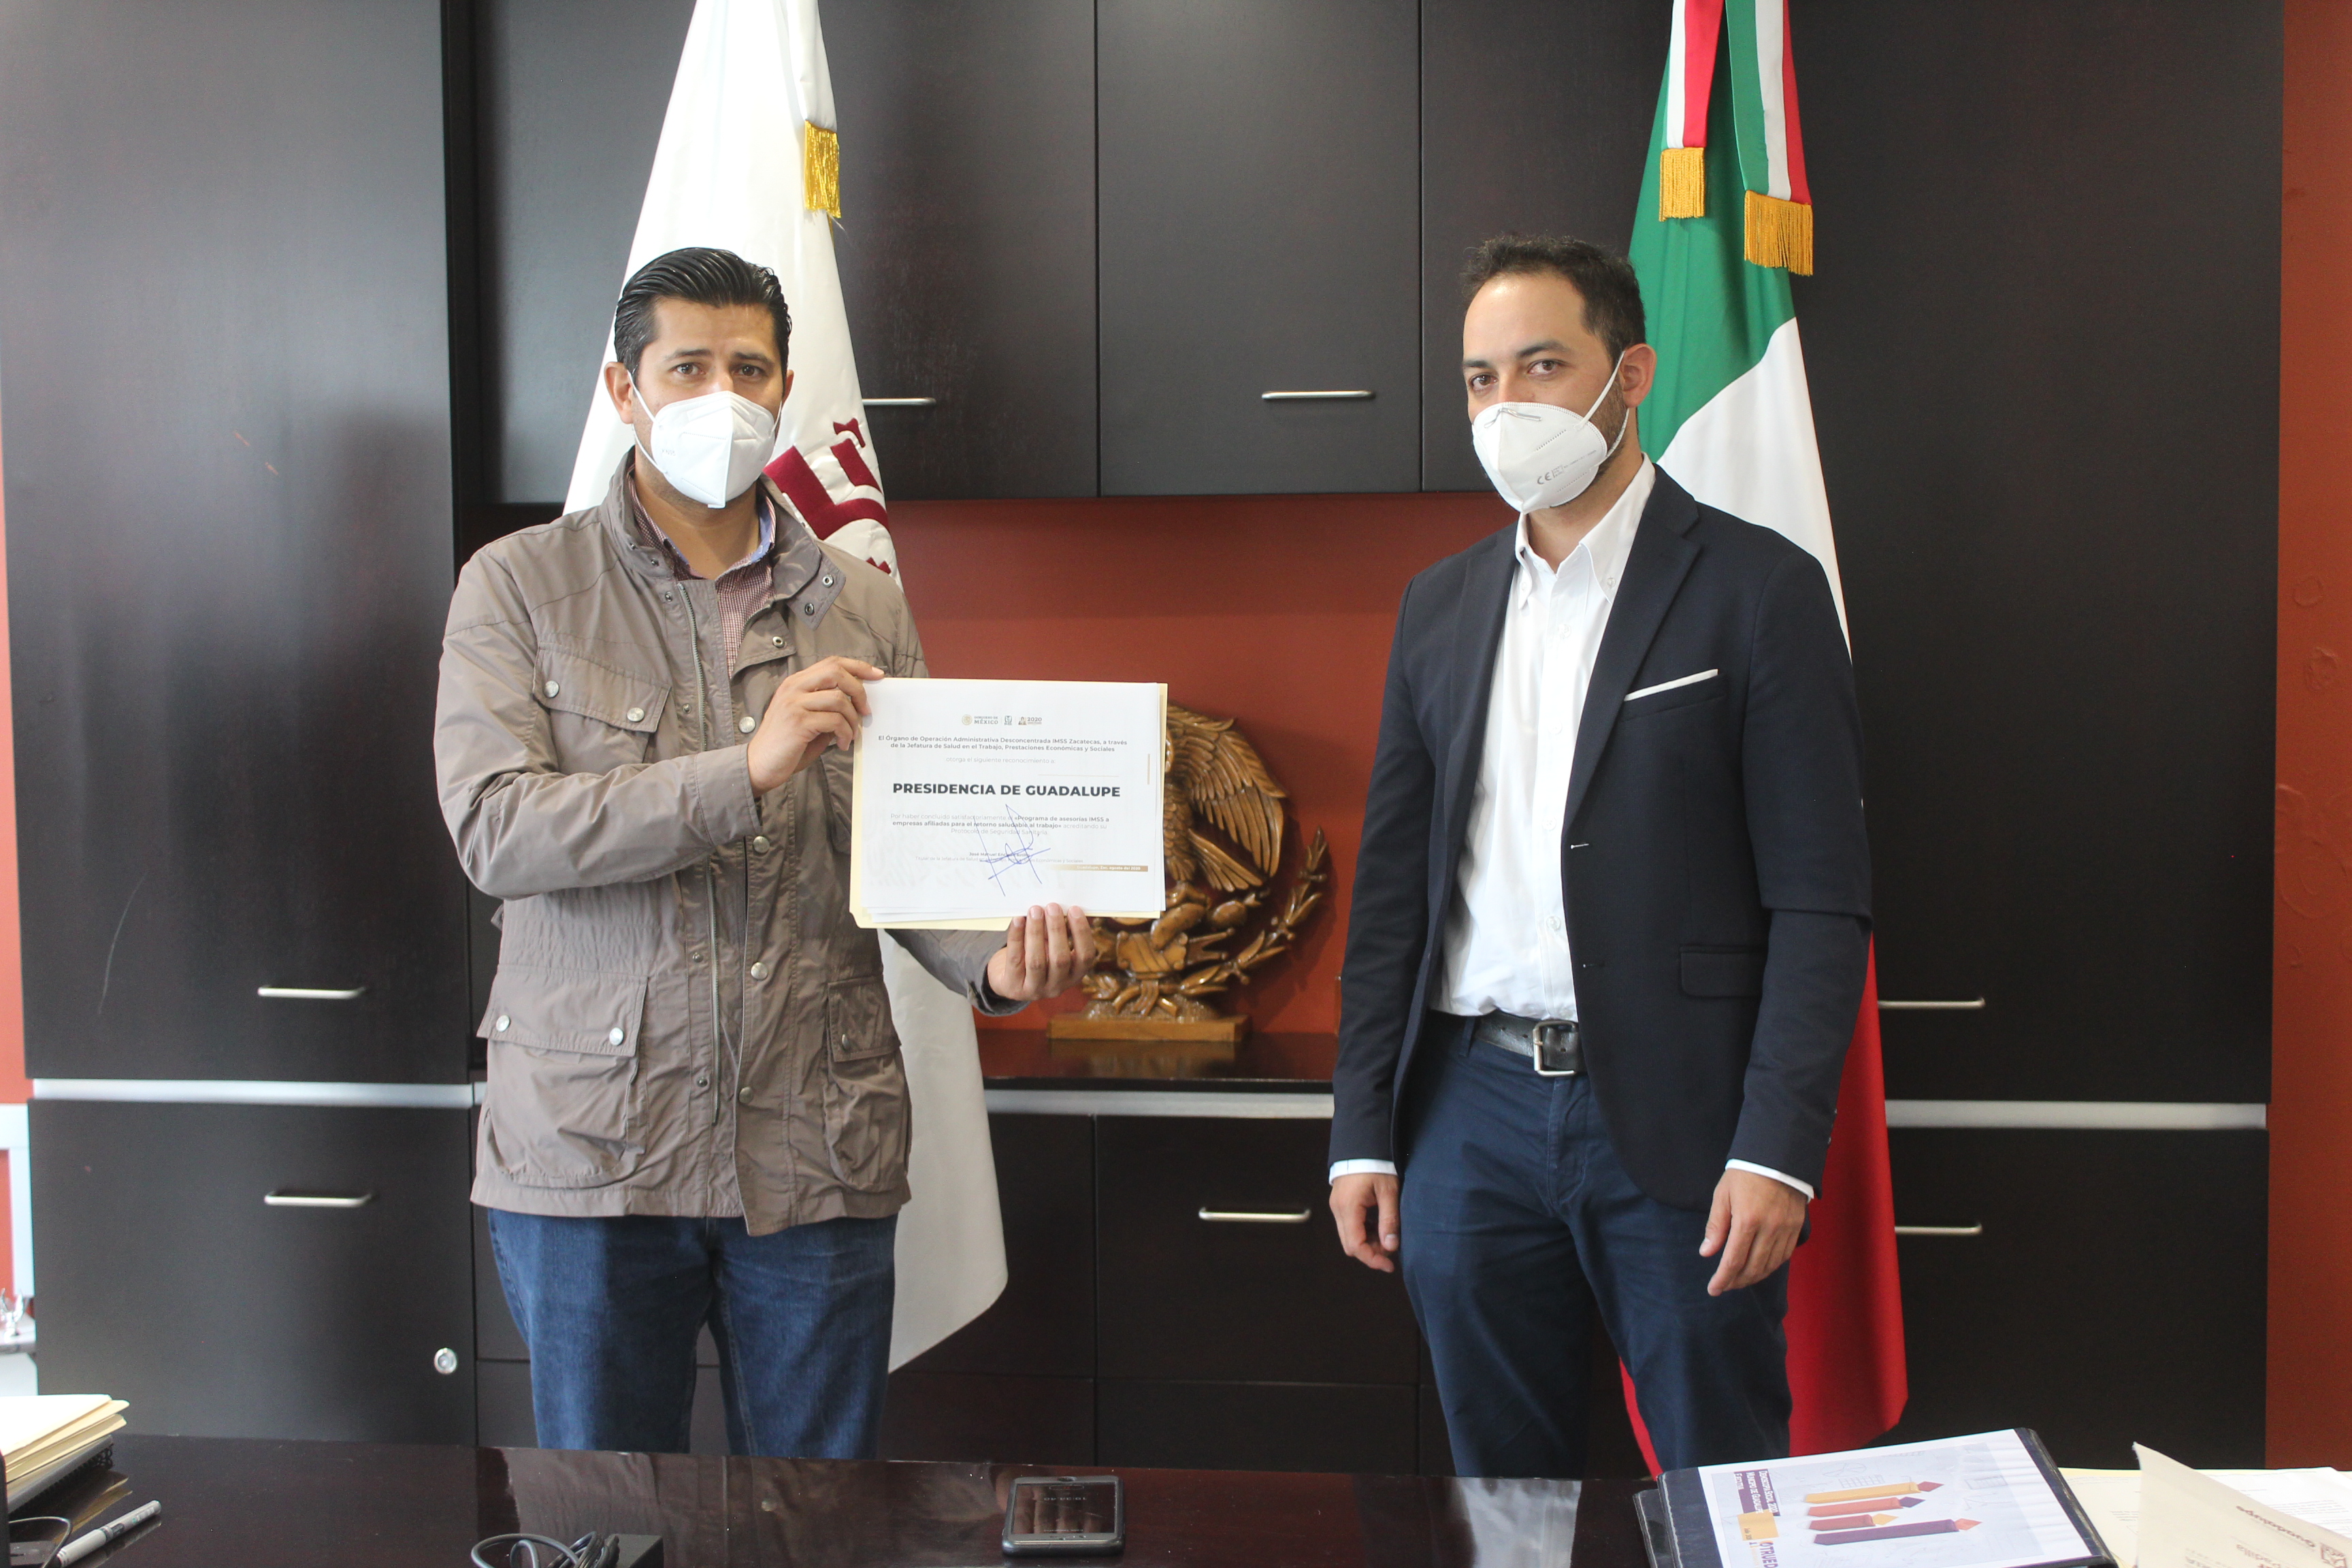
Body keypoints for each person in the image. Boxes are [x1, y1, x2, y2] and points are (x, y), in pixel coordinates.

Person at [434, 246, 1096, 1458]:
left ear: (788, 386)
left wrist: (995, 963)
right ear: (623, 390)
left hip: (815, 1143)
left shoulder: (861, 601)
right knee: (608, 1520)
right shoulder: (519, 586)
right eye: (687, 368)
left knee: (818, 1522)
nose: (722, 396)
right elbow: (497, 828)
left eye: (748, 369)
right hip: (594, 1151)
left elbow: (902, 842)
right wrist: (743, 770)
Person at [1326, 235, 1869, 1477]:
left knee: (1723, 1488)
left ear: (1631, 374)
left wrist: (1777, 1147)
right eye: (1479, 379)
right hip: (1470, 1117)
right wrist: (1363, 1130)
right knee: (1503, 1495)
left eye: (1541, 366)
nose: (1505, 406)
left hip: (1685, 1123)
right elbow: (1396, 895)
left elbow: (1820, 903)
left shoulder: (1759, 590)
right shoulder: (1438, 606)